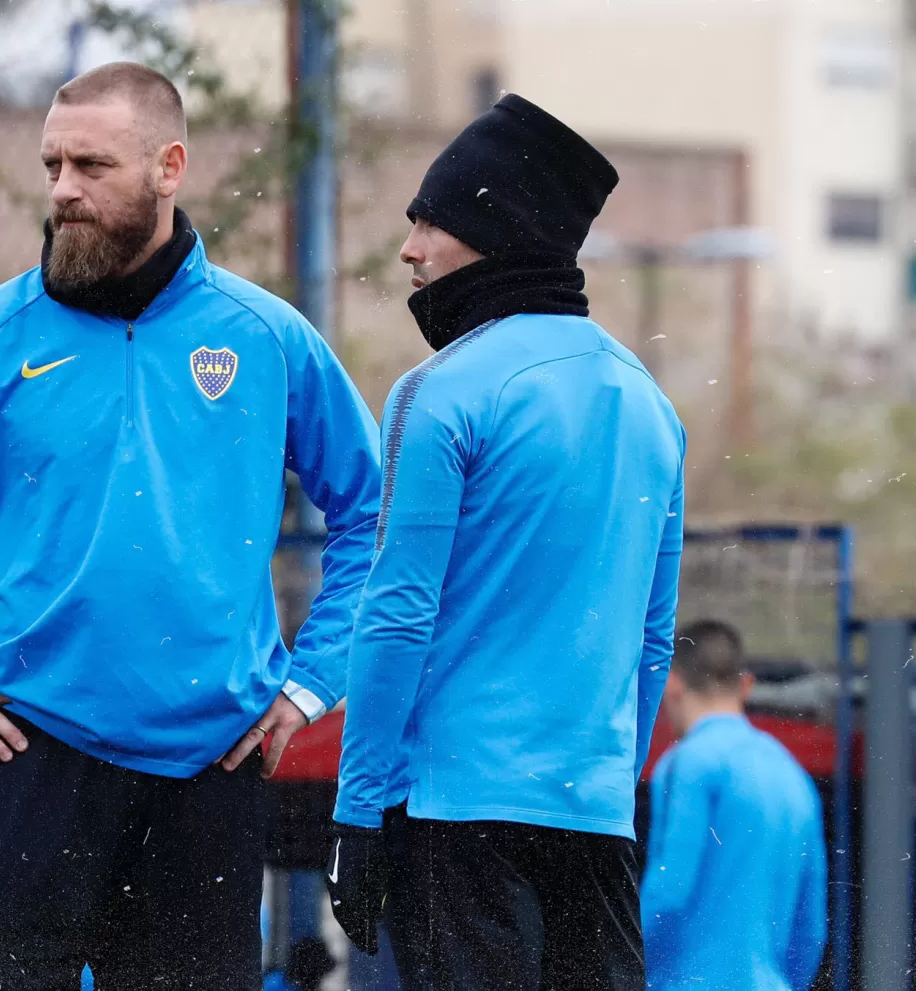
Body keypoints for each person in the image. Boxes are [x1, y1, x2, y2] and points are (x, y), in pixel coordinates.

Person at [0, 61, 382, 990]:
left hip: (209, 769)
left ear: (169, 168)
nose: (63, 190)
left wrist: (310, 684)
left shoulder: (266, 337)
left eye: (91, 165)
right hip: (29, 758)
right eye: (52, 164)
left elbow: (373, 514)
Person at [325, 93, 687, 991]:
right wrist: (607, 782)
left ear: (500, 229)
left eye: (431, 223)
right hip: (595, 817)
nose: (409, 249)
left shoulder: (438, 391)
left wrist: (357, 810)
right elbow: (651, 635)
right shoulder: (652, 404)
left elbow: (398, 614)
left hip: (457, 813)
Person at [642, 620, 828, 991]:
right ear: (745, 685)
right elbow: (811, 928)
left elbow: (668, 891)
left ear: (673, 684)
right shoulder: (793, 775)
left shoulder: (689, 763)